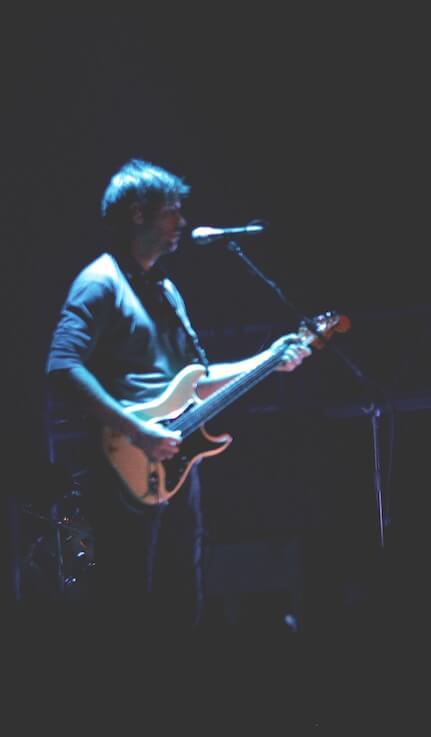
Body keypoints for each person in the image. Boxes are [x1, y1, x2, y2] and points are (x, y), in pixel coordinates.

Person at [44, 158, 311, 636]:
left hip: (174, 467)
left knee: (182, 600)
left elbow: (197, 380)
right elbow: (63, 368)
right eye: (172, 211)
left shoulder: (165, 290)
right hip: (120, 467)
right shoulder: (100, 282)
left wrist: (268, 358)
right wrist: (138, 431)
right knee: (127, 604)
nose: (182, 223)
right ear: (139, 214)